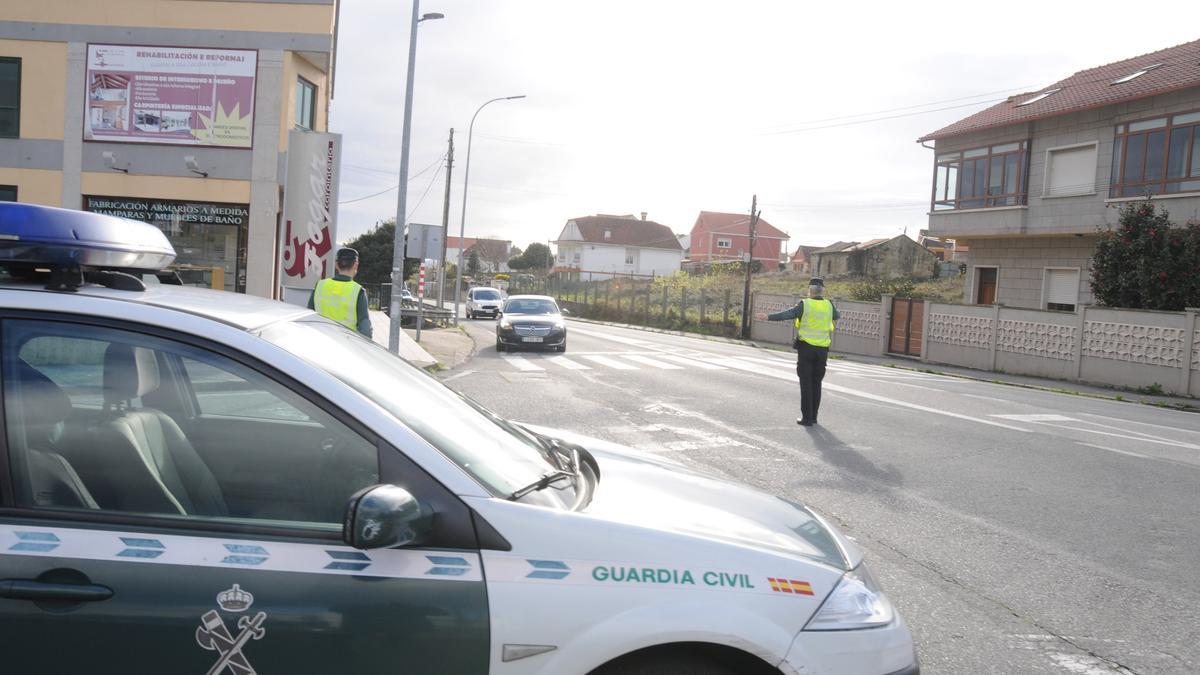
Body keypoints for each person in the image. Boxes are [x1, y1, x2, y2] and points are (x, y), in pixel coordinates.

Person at [762, 277, 839, 426]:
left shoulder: (805, 304)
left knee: (806, 383)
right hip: (822, 350)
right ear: (822, 290)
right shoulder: (829, 304)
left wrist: (768, 316)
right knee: (817, 383)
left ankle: (807, 418)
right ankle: (814, 417)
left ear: (809, 290)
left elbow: (788, 314)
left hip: (806, 349)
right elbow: (837, 316)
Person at [308, 247, 373, 338]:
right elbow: (365, 328)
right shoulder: (358, 291)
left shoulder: (320, 285)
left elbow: (308, 315)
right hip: (345, 345)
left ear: (336, 265)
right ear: (355, 265)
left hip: (320, 339)